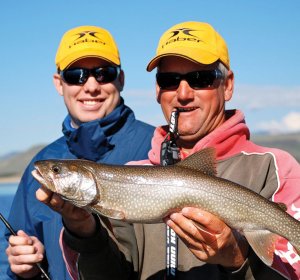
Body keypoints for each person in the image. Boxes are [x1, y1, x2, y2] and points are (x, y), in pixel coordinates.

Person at [36, 21, 300, 279]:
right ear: (157, 89)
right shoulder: (131, 177)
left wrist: (237, 259)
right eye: (169, 80)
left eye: (200, 78)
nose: (183, 93)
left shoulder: (275, 169)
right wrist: (83, 233)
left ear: (228, 84)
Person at [4, 25, 155, 279]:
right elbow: (8, 249)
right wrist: (22, 267)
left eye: (104, 73)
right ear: (59, 83)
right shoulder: (40, 167)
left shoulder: (158, 147)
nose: (92, 86)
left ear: (121, 79)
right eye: (77, 75)